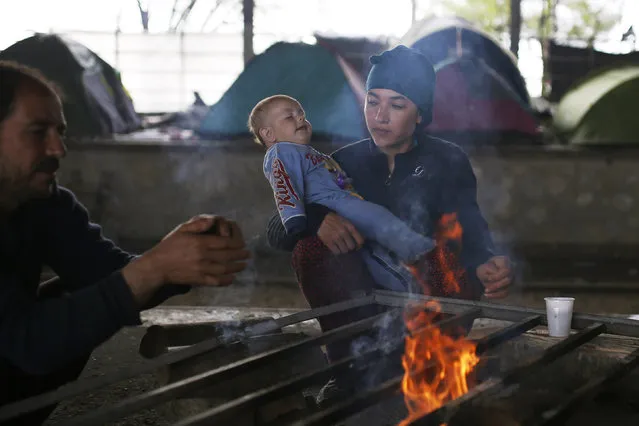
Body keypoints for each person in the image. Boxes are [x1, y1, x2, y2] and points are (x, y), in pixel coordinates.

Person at [0, 60, 250, 425]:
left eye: (60, 131)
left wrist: (184, 258)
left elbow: (111, 273)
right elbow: (30, 345)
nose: (58, 149)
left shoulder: (44, 202)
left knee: (84, 293)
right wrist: (155, 268)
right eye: (38, 132)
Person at [265, 46, 513, 403]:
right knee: (311, 249)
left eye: (397, 105)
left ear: (420, 114)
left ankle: (431, 367)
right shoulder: (339, 163)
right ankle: (348, 369)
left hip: (427, 296)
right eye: (372, 101)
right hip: (363, 300)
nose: (380, 116)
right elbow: (276, 229)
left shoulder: (447, 160)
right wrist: (317, 220)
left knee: (457, 262)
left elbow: (472, 229)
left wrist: (490, 262)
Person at [250, 94, 435, 292]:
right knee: (379, 219)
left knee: (373, 255)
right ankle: (424, 250)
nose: (301, 118)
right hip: (334, 205)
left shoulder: (313, 155)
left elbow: (332, 178)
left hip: (345, 202)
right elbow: (284, 187)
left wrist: (342, 181)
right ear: (269, 134)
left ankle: (411, 288)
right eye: (289, 117)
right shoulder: (282, 152)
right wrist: (297, 219)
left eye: (302, 114)